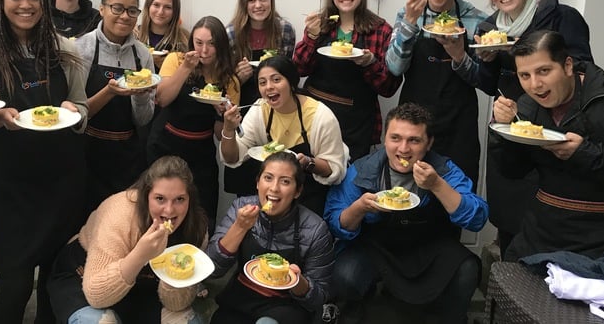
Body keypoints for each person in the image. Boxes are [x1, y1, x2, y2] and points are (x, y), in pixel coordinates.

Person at [0, 0, 89, 323]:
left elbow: (81, 106)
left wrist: (73, 111)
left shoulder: (65, 48)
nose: (26, 5)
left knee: (54, 279)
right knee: (14, 282)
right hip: (13, 182)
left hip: (63, 178)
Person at [325, 103, 488, 324]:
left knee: (467, 269)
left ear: (429, 143)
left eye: (414, 140)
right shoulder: (363, 169)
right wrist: (359, 207)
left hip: (428, 246)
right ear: (385, 139)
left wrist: (437, 185)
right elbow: (335, 222)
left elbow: (477, 218)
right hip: (377, 247)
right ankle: (357, 312)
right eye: (395, 138)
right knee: (346, 274)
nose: (403, 149)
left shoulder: (443, 170)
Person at [475, 0, 594, 255]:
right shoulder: (488, 27)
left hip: (557, 123)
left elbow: (584, 67)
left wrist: (519, 51)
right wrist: (486, 59)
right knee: (510, 214)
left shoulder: (562, 16)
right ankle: (508, 275)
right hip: (510, 123)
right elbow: (488, 84)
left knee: (549, 212)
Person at [490, 30, 604, 261]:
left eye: (544, 71)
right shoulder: (527, 105)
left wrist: (585, 153)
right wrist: (502, 129)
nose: (535, 85)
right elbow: (512, 170)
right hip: (540, 232)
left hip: (602, 239)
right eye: (524, 75)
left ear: (568, 66)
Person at [47, 155, 207, 324]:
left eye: (179, 199)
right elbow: (96, 296)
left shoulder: (196, 229)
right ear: (146, 195)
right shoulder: (119, 214)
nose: (169, 210)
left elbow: (176, 305)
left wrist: (174, 273)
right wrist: (140, 255)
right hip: (85, 276)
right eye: (160, 198)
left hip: (144, 288)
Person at [385, 0, 489, 186]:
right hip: (413, 122)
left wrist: (459, 56)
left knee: (458, 187)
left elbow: (484, 80)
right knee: (410, 187)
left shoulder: (475, 19)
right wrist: (410, 22)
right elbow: (394, 68)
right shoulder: (407, 14)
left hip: (458, 122)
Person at [208, 152, 334, 324]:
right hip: (242, 295)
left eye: (285, 181)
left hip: (286, 305)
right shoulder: (241, 208)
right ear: (257, 183)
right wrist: (239, 227)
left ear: (297, 191)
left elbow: (319, 298)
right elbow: (213, 269)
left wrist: (297, 281)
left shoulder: (315, 229)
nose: (274, 188)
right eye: (268, 178)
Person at [220, 55, 349, 216]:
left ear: (291, 82)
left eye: (276, 80)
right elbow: (232, 158)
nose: (269, 87)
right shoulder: (260, 110)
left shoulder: (320, 116)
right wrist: (229, 130)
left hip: (308, 198)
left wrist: (308, 163)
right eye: (262, 82)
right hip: (271, 196)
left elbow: (334, 170)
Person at [294, 0, 401, 161]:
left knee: (351, 175)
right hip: (315, 114)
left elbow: (389, 87)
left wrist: (370, 63)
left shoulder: (380, 30)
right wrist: (311, 36)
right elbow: (299, 69)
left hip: (356, 122)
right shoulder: (320, 24)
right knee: (309, 169)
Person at [148, 16, 240, 229]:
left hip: (201, 153)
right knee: (161, 211)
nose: (204, 50)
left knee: (202, 216)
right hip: (165, 144)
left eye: (211, 44)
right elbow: (162, 99)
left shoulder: (230, 80)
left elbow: (220, 135)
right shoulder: (177, 60)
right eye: (199, 43)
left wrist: (223, 116)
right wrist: (186, 68)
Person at [76, 0, 155, 214]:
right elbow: (76, 116)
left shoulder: (142, 55)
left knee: (123, 218)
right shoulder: (83, 48)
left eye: (132, 11)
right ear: (102, 9)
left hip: (128, 155)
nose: (125, 16)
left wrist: (141, 97)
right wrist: (109, 92)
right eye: (117, 8)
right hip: (88, 153)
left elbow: (143, 119)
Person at [225, 0, 296, 195]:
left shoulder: (284, 30)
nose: (258, 5)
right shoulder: (231, 33)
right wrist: (238, 78)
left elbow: (289, 75)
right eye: (252, 0)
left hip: (276, 108)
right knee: (246, 177)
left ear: (271, 0)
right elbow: (223, 82)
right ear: (243, 4)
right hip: (245, 107)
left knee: (277, 171)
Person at [135, 0, 188, 72]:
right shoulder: (135, 35)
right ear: (148, 6)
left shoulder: (185, 40)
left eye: (167, 7)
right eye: (156, 5)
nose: (160, 12)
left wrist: (170, 64)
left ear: (175, 11)